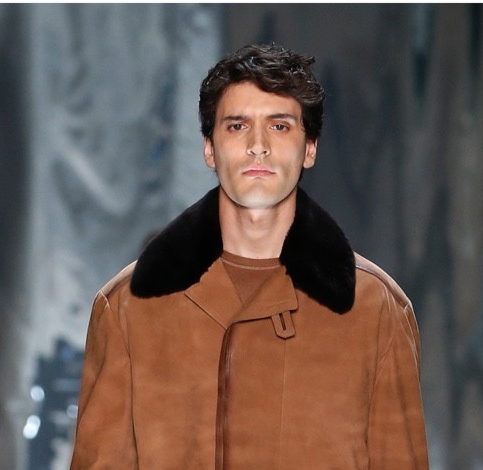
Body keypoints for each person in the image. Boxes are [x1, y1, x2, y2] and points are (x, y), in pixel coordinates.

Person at [69, 43, 429, 469]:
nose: (258, 146)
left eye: (279, 126)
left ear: (309, 148)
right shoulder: (128, 309)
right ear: (209, 148)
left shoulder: (376, 311)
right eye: (238, 126)